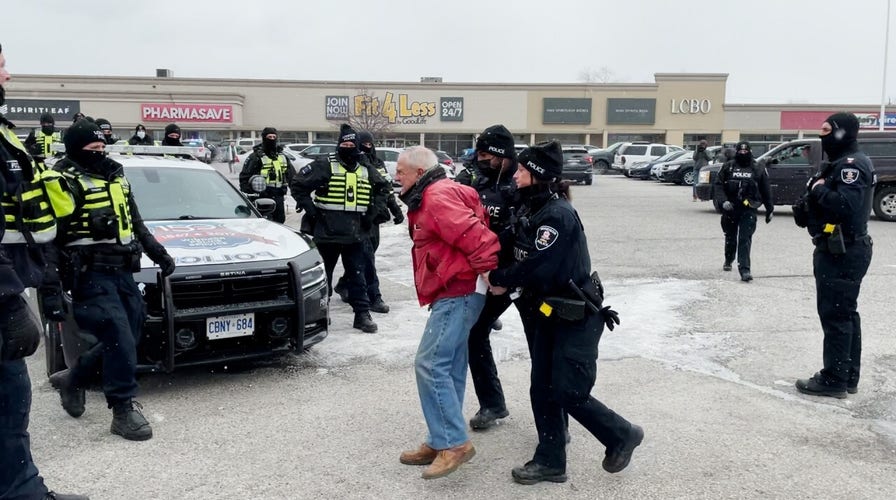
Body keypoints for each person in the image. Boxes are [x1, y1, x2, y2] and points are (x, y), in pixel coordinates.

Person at [484, 141, 639, 485]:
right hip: (546, 313)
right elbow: (509, 241)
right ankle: (551, 461)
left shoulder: (557, 216)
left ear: (538, 175)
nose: (516, 174)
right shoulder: (530, 207)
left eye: (523, 170)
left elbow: (541, 267)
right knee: (541, 387)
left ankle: (622, 434)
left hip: (574, 317)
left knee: (568, 392)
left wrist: (500, 279)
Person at [43, 118, 176, 441]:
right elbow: (48, 239)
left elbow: (135, 219)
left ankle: (74, 378)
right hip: (89, 275)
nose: (100, 154)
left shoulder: (115, 175)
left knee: (129, 335)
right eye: (92, 149)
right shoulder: (61, 181)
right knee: (117, 333)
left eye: (103, 147)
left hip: (123, 272)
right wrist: (51, 289)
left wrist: (157, 252)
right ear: (76, 150)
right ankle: (122, 408)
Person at [0, 41, 90, 500]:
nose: (7, 77)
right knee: (9, 400)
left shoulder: (9, 136)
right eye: (2, 67)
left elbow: (38, 216)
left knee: (11, 400)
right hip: (1, 290)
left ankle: (22, 490)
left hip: (14, 282)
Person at [394, 146, 500, 480]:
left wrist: (489, 272)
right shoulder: (436, 192)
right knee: (450, 365)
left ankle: (453, 443)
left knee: (429, 363)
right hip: (456, 289)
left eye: (400, 170)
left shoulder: (436, 196)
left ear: (418, 172)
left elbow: (476, 236)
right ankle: (441, 438)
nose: (396, 176)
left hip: (459, 290)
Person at [794, 113, 874, 399]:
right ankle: (847, 376)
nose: (821, 135)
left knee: (836, 315)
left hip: (842, 250)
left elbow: (845, 205)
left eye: (827, 130)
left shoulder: (850, 165)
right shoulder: (838, 164)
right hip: (840, 247)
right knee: (845, 313)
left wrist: (818, 190)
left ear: (842, 133)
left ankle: (834, 379)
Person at [289, 124, 389, 333]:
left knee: (358, 275)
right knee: (323, 275)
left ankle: (362, 315)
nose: (348, 147)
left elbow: (383, 188)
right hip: (327, 233)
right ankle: (320, 314)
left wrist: (373, 214)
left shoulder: (365, 167)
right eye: (344, 143)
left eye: (352, 144)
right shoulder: (325, 165)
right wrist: (312, 211)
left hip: (356, 232)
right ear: (338, 145)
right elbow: (298, 184)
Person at [456, 124, 521, 431]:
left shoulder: (522, 181)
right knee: (474, 333)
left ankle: (557, 428)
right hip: (487, 273)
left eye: (486, 154)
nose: (480, 159)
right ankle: (493, 404)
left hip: (520, 273)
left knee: (544, 346)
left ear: (502, 155)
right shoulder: (473, 176)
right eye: (478, 153)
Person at [333, 130, 404, 313]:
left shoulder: (377, 163)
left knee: (365, 257)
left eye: (369, 145)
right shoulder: (355, 164)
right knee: (367, 260)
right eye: (363, 144)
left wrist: (395, 210)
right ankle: (373, 296)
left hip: (374, 219)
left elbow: (386, 189)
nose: (366, 148)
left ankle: (344, 284)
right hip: (358, 218)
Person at [712, 141, 773, 281]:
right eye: (741, 151)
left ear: (750, 152)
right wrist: (723, 201)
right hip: (731, 208)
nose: (743, 154)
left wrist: (770, 208)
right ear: (737, 152)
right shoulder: (728, 166)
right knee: (730, 237)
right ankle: (728, 259)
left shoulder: (757, 167)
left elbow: (766, 189)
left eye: (746, 152)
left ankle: (745, 270)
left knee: (745, 239)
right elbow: (718, 185)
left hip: (749, 208)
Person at [239, 127, 295, 224]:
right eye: (269, 137)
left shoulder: (282, 156)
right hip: (262, 196)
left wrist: (298, 196)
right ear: (264, 138)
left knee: (279, 222)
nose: (272, 139)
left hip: (279, 195)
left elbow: (293, 178)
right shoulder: (255, 157)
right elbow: (244, 177)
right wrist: (250, 193)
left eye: (274, 137)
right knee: (264, 223)